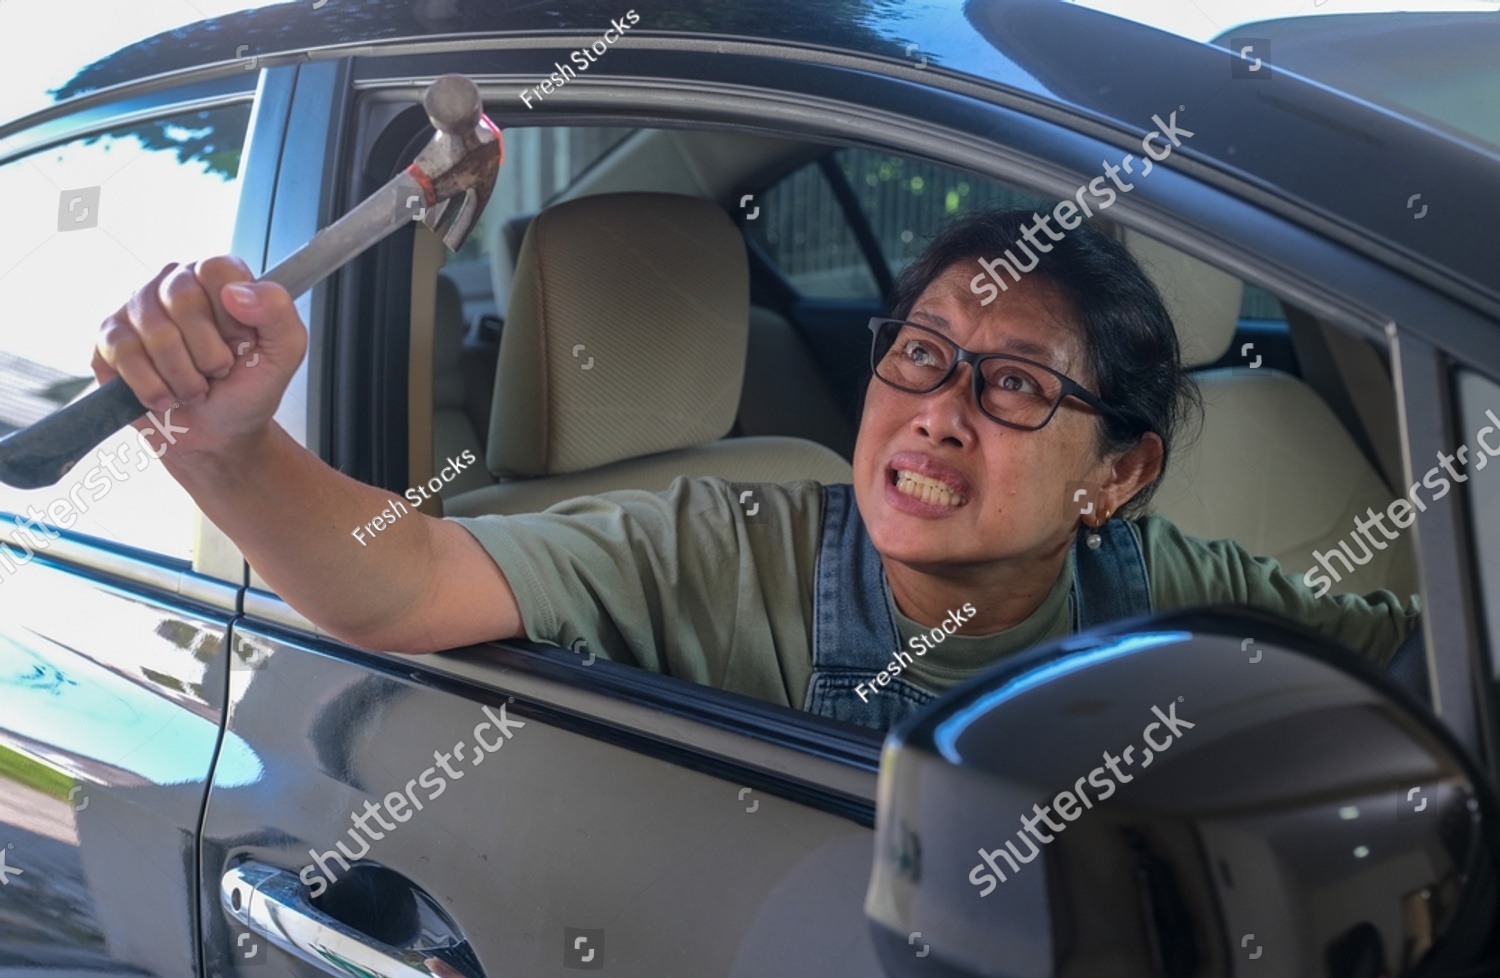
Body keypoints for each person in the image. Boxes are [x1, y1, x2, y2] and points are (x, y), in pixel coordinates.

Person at [91, 210, 1418, 731]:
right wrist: (228, 444)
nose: (939, 414)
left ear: (1113, 479)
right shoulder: (720, 543)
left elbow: (1411, 666)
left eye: (1014, 382)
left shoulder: (1160, 581)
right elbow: (404, 583)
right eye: (919, 355)